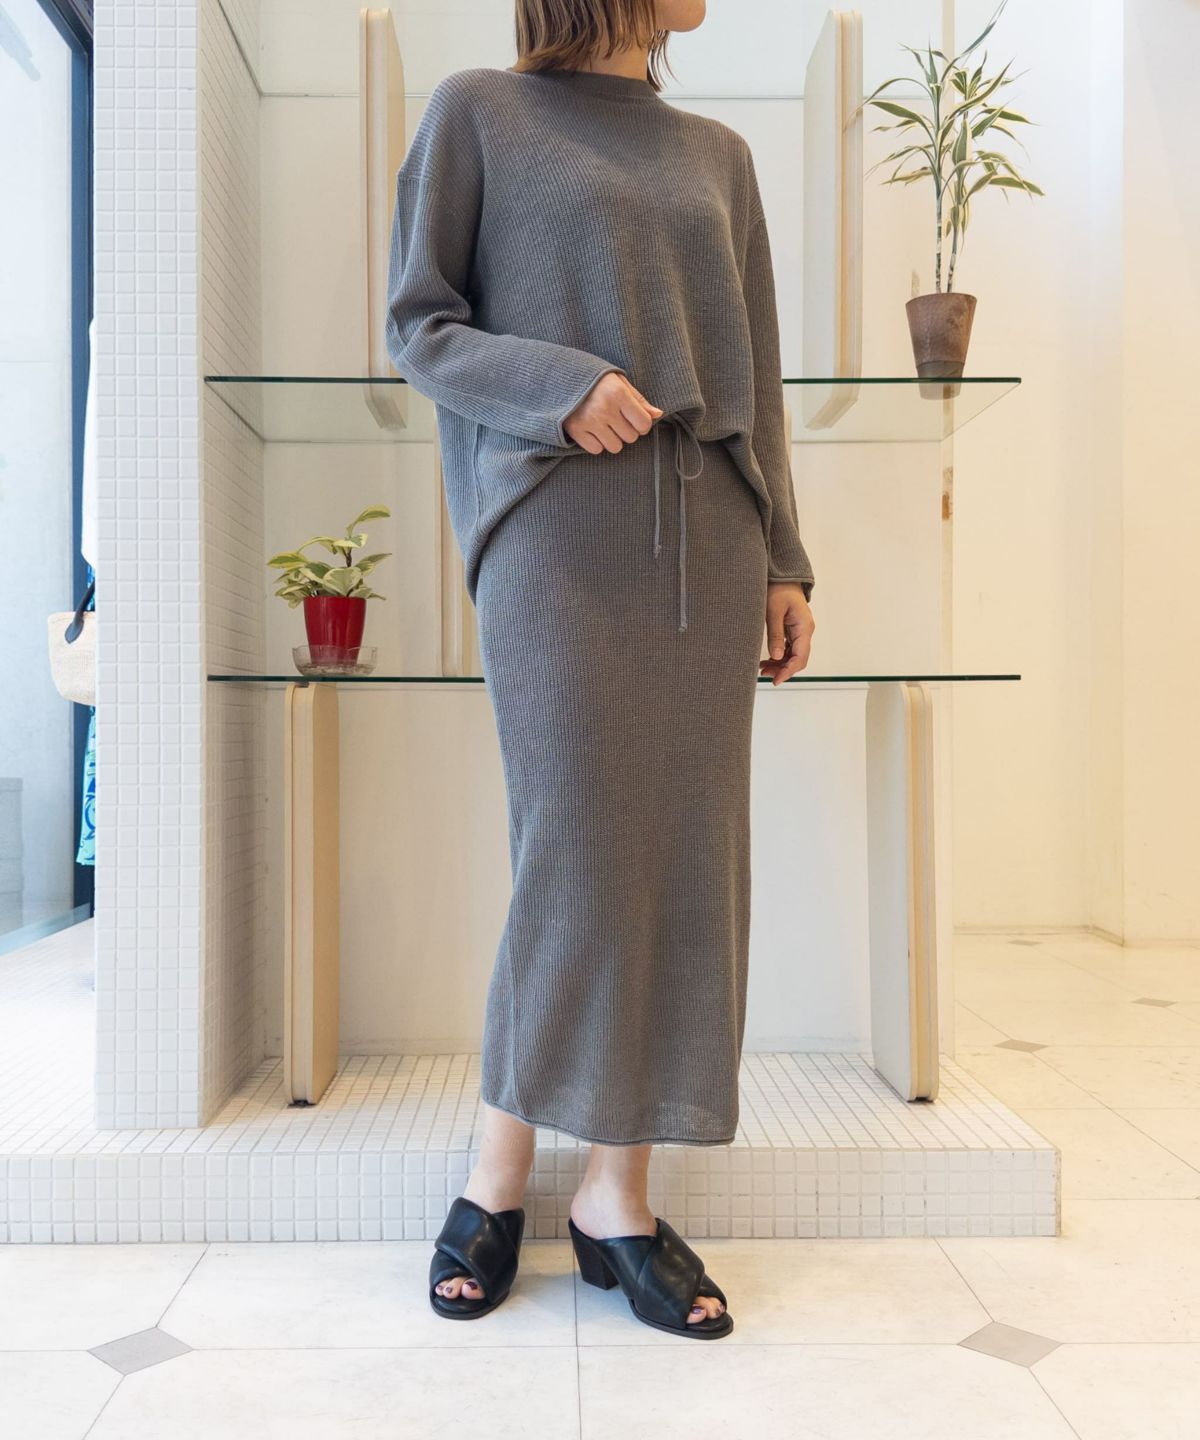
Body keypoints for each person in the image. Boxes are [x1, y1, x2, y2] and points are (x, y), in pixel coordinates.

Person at [385, 0, 816, 1340]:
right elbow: (420, 325)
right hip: (556, 532)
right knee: (571, 850)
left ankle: (617, 1197)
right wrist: (561, 385)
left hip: (711, 533)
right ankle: (497, 1173)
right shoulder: (479, 111)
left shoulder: (717, 156)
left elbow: (759, 375)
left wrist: (786, 558)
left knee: (686, 855)